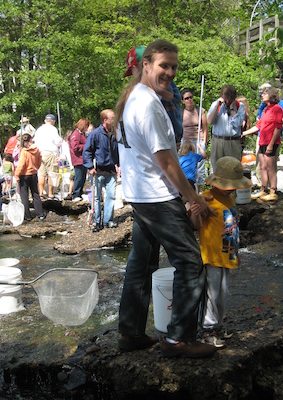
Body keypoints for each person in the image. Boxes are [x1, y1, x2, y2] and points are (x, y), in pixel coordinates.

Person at [115, 39, 216, 358]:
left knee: (141, 263)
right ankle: (179, 338)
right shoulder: (147, 104)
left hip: (139, 194)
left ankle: (130, 332)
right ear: (145, 65)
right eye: (164, 65)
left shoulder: (133, 99)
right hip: (157, 195)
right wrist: (194, 199)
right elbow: (168, 162)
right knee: (190, 261)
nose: (170, 72)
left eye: (174, 66)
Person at [189, 156, 252, 348]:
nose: (233, 188)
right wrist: (195, 210)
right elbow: (195, 225)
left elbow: (233, 228)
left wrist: (236, 252)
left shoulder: (230, 199)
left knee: (223, 293)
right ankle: (206, 329)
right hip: (212, 256)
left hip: (227, 254)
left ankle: (217, 324)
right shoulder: (207, 197)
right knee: (213, 293)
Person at [123, 45, 183, 147]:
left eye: (133, 69)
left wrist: (155, 90)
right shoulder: (136, 97)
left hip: (173, 128)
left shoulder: (162, 83)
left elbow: (173, 97)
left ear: (143, 66)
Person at [242, 87, 283, 202]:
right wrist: (243, 133)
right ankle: (263, 189)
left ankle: (273, 191)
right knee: (262, 166)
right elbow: (258, 126)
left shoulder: (277, 109)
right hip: (262, 142)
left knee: (270, 168)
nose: (262, 95)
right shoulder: (265, 110)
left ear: (271, 95)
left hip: (271, 143)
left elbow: (277, 128)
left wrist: (271, 145)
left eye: (264, 94)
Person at [83, 109, 119, 232]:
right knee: (96, 197)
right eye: (112, 118)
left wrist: (119, 165)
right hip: (98, 170)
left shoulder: (114, 133)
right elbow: (87, 151)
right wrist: (90, 167)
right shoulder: (95, 134)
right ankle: (97, 221)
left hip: (111, 170)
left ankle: (108, 220)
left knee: (111, 196)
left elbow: (117, 151)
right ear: (105, 120)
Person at [207, 85, 246, 171]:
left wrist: (232, 109)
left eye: (230, 99)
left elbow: (238, 124)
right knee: (217, 169)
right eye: (226, 98)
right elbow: (209, 121)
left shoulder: (240, 106)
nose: (227, 101)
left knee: (233, 169)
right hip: (218, 141)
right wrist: (217, 106)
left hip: (233, 142)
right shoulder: (216, 104)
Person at [180, 88, 208, 190]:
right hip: (186, 141)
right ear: (183, 101)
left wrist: (204, 142)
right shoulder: (181, 112)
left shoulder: (200, 111)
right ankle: (187, 189)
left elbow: (205, 128)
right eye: (186, 98)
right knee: (186, 164)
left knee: (199, 166)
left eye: (190, 97)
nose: (189, 100)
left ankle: (198, 190)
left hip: (198, 140)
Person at [15, 134, 46, 221]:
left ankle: (27, 216)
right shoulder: (36, 150)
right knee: (35, 194)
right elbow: (40, 160)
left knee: (24, 196)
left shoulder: (24, 152)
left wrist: (17, 175)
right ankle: (40, 213)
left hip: (24, 175)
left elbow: (21, 165)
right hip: (33, 173)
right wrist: (36, 167)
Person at [34, 114, 62, 199]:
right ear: (53, 122)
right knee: (51, 174)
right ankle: (50, 194)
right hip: (50, 153)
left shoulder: (39, 129)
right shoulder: (53, 129)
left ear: (45, 121)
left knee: (41, 174)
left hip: (39, 153)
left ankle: (41, 193)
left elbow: (35, 141)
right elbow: (57, 141)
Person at [69, 118, 90, 202]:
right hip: (78, 160)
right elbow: (75, 147)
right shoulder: (76, 134)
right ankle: (75, 194)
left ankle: (79, 193)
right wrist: (85, 145)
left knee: (83, 177)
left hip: (83, 159)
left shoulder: (81, 134)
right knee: (79, 177)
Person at [60, 130, 74, 201]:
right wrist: (60, 158)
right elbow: (64, 155)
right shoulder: (65, 145)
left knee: (72, 179)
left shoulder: (71, 145)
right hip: (72, 165)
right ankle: (71, 192)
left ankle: (70, 193)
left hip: (74, 164)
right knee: (72, 179)